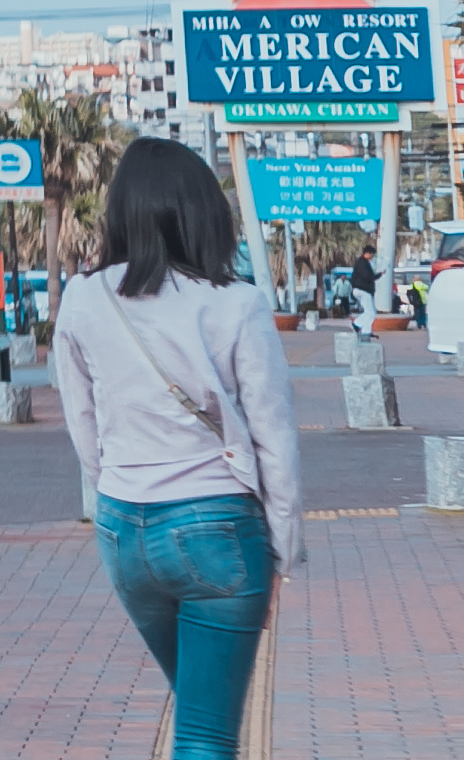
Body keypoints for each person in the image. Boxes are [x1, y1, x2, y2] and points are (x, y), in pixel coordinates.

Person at [49, 141, 302, 760]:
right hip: (217, 528)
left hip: (123, 529)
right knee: (204, 734)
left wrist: (111, 489)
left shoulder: (84, 298)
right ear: (202, 212)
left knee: (195, 709)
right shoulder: (235, 303)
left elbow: (81, 419)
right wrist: (284, 549)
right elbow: (274, 436)